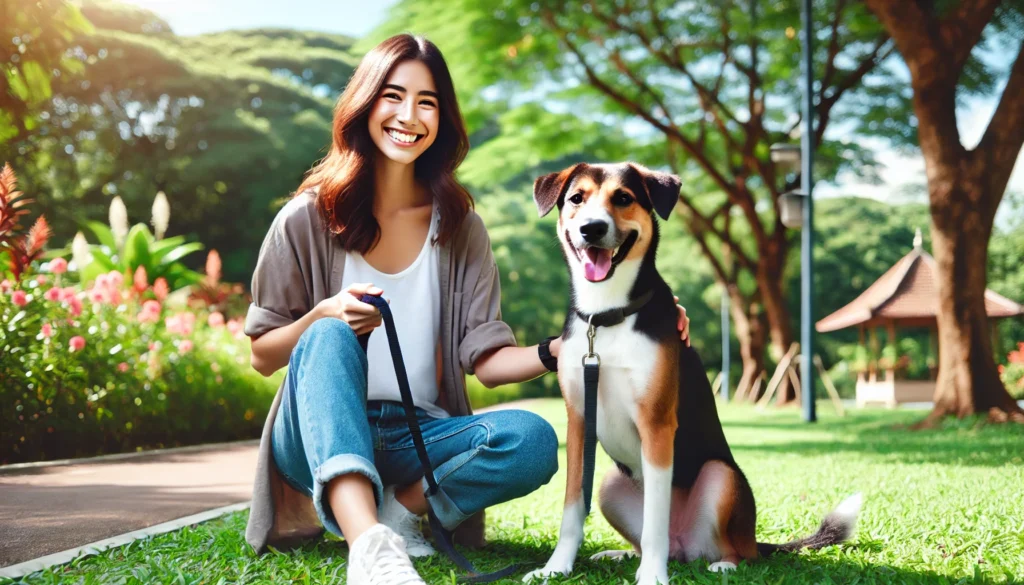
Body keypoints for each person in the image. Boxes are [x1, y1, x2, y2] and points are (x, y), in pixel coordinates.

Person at [243, 34, 691, 585]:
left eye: (427, 102)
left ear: (442, 119)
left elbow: (486, 359)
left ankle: (399, 513)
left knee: (529, 440)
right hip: (316, 434)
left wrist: (566, 349)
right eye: (393, 95)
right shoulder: (304, 218)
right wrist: (324, 315)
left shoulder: (459, 228)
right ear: (363, 104)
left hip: (420, 438)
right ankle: (371, 547)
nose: (409, 115)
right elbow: (263, 355)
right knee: (330, 336)